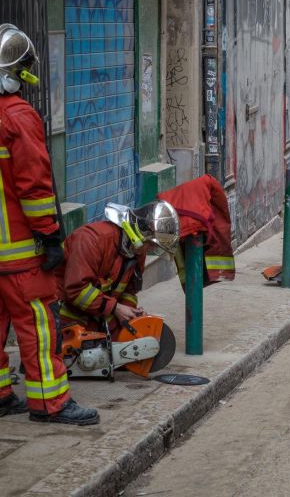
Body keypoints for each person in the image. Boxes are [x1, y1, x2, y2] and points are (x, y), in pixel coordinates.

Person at [0, 24, 98, 425]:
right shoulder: (18, 117)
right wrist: (49, 234)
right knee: (39, 325)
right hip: (20, 252)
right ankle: (50, 403)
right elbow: (35, 185)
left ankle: (3, 396)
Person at [60, 201, 180, 335]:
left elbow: (129, 291)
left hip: (97, 313)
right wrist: (115, 308)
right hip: (63, 319)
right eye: (151, 245)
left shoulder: (136, 250)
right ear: (139, 233)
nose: (151, 249)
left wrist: (129, 313)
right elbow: (76, 291)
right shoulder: (91, 240)